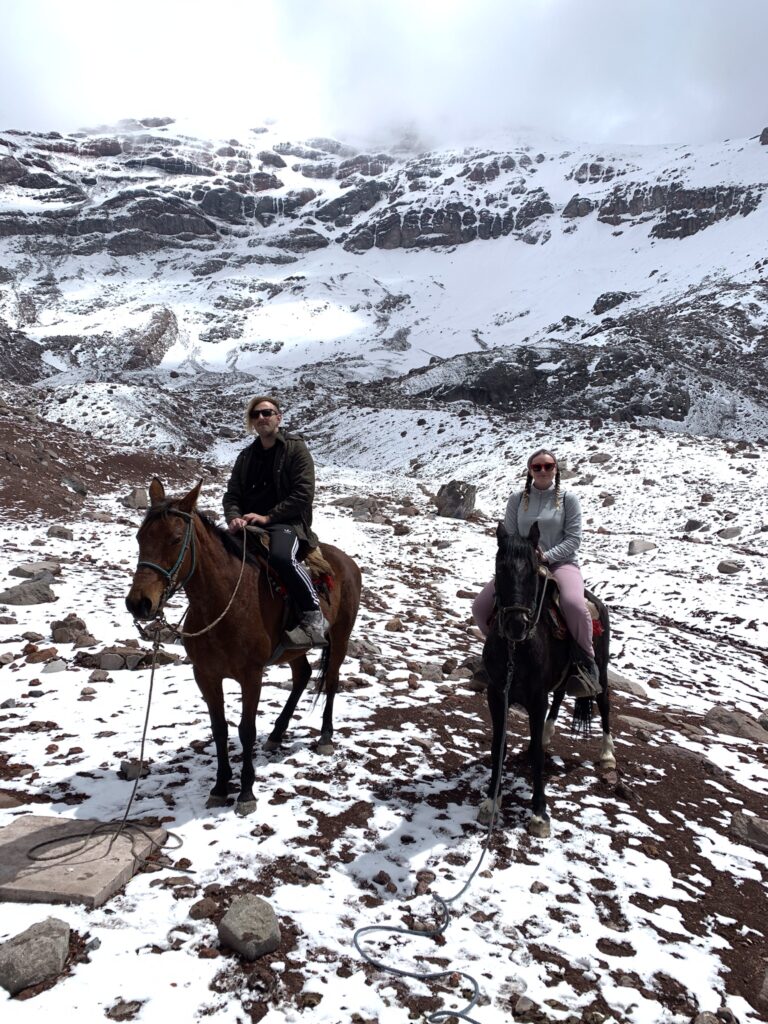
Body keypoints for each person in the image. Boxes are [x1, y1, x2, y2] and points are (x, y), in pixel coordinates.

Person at [472, 448, 600, 697]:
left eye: (548, 466)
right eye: (537, 467)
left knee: (574, 605)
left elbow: (574, 539)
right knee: (480, 607)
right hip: (524, 566)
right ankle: (494, 658)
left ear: (556, 469)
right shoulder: (517, 499)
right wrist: (523, 557)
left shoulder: (568, 500)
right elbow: (509, 535)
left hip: (560, 564)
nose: (543, 470)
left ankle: (586, 663)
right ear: (530, 471)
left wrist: (547, 556)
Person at [223, 396, 328, 647]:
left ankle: (313, 616)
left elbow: (303, 493)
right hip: (248, 524)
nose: (261, 418)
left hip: (286, 523)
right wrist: (234, 517)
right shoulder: (246, 456)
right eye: (255, 415)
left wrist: (268, 516)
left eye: (267, 413)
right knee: (213, 557)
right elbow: (232, 494)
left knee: (282, 558)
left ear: (278, 417)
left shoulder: (295, 448)